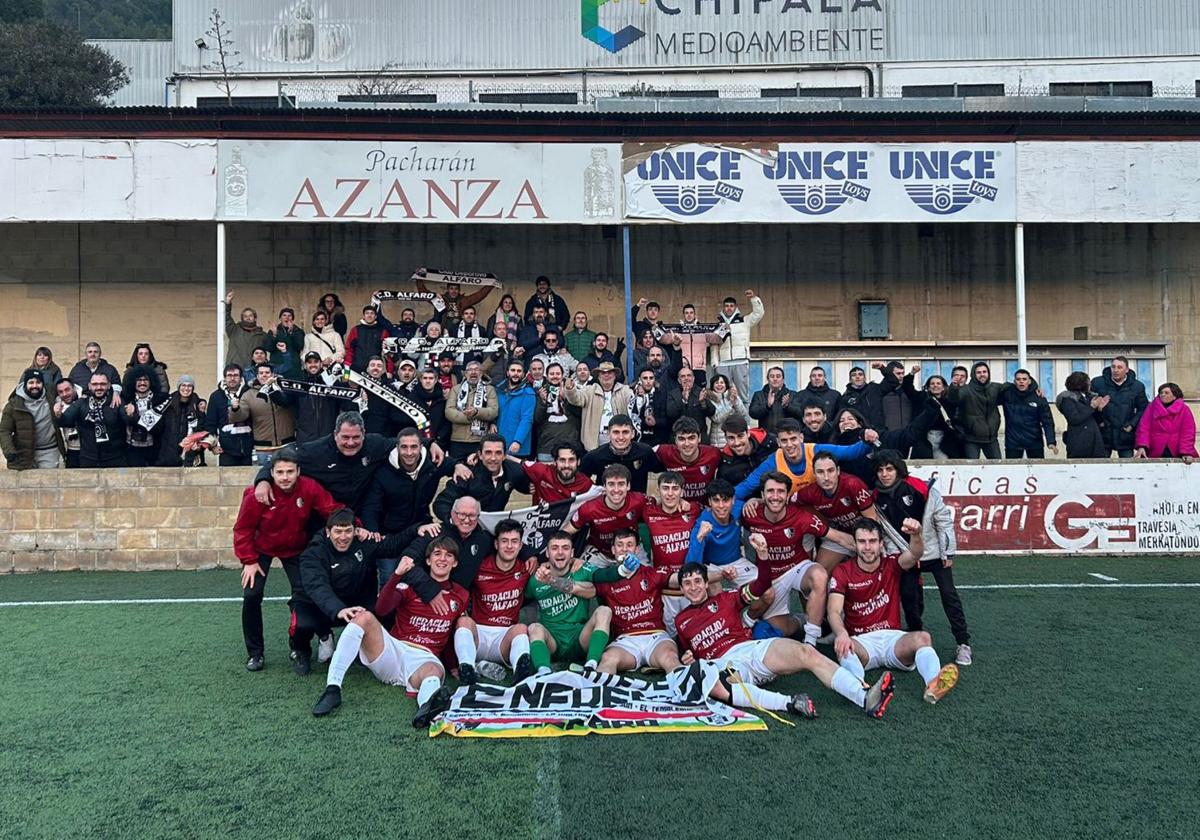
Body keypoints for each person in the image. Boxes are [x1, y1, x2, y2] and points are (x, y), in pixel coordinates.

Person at [674, 562, 894, 719]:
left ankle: (864, 697)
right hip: (725, 663)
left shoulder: (726, 598)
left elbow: (761, 586)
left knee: (806, 653)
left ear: (705, 583)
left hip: (752, 648)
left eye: (697, 581)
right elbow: (686, 654)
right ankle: (789, 703)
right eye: (687, 583)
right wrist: (686, 657)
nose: (693, 587)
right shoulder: (680, 621)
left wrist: (762, 555)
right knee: (718, 685)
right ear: (682, 589)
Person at [310, 534, 468, 726]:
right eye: (437, 554)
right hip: (394, 650)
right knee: (364, 616)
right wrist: (396, 575)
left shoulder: (461, 594)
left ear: (456, 562)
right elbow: (382, 608)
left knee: (433, 671)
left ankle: (426, 708)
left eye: (448, 555)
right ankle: (333, 689)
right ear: (428, 560)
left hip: (425, 658)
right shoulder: (411, 586)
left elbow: (451, 632)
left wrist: (452, 665)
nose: (442, 559)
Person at [828, 518, 961, 706]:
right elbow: (833, 611)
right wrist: (841, 634)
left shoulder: (891, 564)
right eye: (862, 541)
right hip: (862, 641)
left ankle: (934, 686)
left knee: (923, 637)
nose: (867, 547)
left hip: (893, 640)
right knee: (843, 646)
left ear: (881, 543)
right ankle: (861, 691)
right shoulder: (842, 571)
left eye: (872, 541)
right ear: (855, 544)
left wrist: (916, 534)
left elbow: (915, 553)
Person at [232, 452, 344, 672]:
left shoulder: (309, 487)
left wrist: (354, 524)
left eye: (290, 472)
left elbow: (332, 509)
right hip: (260, 549)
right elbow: (243, 529)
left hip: (295, 548)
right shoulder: (257, 494)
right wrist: (249, 560)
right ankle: (255, 653)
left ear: (298, 472)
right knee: (252, 594)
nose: (285, 477)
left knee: (305, 593)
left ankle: (298, 647)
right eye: (280, 472)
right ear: (271, 473)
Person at [872, 451, 971, 667]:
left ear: (898, 469)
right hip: (907, 553)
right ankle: (917, 638)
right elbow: (886, 533)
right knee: (908, 595)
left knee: (949, 594)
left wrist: (947, 552)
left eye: (889, 469)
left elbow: (942, 520)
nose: (884, 474)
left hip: (934, 552)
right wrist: (900, 555)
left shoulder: (921, 488)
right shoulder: (876, 498)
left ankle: (963, 643)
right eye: (880, 470)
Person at [737, 472, 853, 642]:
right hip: (770, 576)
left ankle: (811, 640)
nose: (775, 496)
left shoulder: (801, 517)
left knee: (819, 575)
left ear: (787, 496)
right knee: (776, 629)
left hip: (797, 567)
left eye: (781, 492)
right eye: (770, 491)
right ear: (762, 495)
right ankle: (802, 621)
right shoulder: (750, 515)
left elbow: (838, 537)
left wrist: (867, 546)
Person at [251, 411, 399, 512]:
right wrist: (263, 481)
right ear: (335, 434)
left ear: (364, 434)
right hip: (325, 519)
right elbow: (282, 458)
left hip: (362, 515)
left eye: (356, 437)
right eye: (345, 437)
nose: (351, 442)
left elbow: (407, 442)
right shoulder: (315, 451)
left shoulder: (374, 444)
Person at [453, 519, 534, 684]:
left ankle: (521, 675)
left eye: (514, 542)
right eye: (504, 541)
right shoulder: (479, 566)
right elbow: (457, 585)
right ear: (496, 544)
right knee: (464, 622)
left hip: (504, 638)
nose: (509, 546)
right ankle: (467, 671)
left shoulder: (526, 568)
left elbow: (552, 569)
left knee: (521, 628)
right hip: (478, 636)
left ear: (521, 545)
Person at [359, 428, 462, 549]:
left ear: (421, 447)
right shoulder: (383, 471)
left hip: (422, 530)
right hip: (391, 534)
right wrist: (372, 531)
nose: (409, 452)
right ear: (397, 447)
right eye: (404, 447)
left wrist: (458, 465)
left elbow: (451, 464)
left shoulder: (432, 462)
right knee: (388, 567)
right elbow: (371, 506)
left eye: (414, 447)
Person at [526, 532, 614, 674]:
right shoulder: (537, 579)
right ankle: (544, 672)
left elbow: (593, 590)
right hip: (553, 640)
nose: (560, 552)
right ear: (547, 553)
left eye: (565, 548)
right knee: (534, 627)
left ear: (572, 552)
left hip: (580, 638)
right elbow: (526, 603)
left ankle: (591, 666)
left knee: (604, 611)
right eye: (554, 548)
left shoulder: (582, 569)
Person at [735, 418, 875, 501]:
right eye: (784, 441)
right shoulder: (773, 462)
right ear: (778, 442)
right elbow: (747, 486)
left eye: (793, 439)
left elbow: (849, 452)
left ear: (801, 438)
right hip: (796, 513)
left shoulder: (815, 450)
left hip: (824, 509)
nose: (789, 445)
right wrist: (723, 500)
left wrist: (868, 440)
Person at [793, 452, 878, 571]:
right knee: (819, 572)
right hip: (839, 535)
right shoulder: (809, 493)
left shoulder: (852, 484)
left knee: (878, 567)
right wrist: (759, 501)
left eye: (830, 470)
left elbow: (872, 521)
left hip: (866, 534)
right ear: (814, 473)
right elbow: (784, 502)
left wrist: (866, 544)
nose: (826, 477)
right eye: (820, 472)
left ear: (838, 471)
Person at [565, 464, 647, 561]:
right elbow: (566, 532)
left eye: (621, 484)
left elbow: (661, 508)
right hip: (600, 554)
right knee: (580, 574)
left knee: (647, 575)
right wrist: (571, 557)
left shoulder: (639, 500)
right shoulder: (590, 508)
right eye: (611, 484)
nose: (616, 490)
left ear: (628, 486)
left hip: (631, 550)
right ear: (604, 486)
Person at [433, 434, 523, 520]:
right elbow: (441, 504)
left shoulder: (513, 470)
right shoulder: (467, 474)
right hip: (468, 529)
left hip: (495, 527)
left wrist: (528, 487)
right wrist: (456, 521)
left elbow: (530, 475)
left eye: (498, 453)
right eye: (488, 453)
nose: (493, 458)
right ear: (480, 455)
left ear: (504, 456)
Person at [231, 363, 296, 465]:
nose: (264, 375)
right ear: (257, 376)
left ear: (273, 375)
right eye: (261, 373)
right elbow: (241, 416)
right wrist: (235, 408)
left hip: (287, 444)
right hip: (263, 448)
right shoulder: (248, 395)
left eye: (267, 373)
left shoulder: (284, 389)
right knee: (263, 477)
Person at [59, 372, 126, 467]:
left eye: (102, 384)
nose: (99, 387)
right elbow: (65, 420)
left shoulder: (116, 402)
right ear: (89, 386)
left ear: (109, 385)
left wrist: (131, 414)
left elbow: (129, 421)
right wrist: (58, 414)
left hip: (115, 458)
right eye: (95, 384)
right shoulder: (81, 403)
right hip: (88, 458)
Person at [579, 414, 659, 493]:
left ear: (633, 434)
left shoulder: (645, 452)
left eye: (625, 432)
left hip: (637, 503)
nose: (621, 437)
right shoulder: (594, 457)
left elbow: (660, 474)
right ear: (608, 434)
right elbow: (580, 483)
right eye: (616, 432)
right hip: (607, 503)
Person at [2, 369, 63, 470]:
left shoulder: (51, 397)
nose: (35, 386)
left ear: (43, 384)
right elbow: (4, 430)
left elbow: (69, 391)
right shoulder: (13, 405)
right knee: (25, 485)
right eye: (31, 382)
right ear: (25, 384)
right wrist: (9, 451)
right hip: (23, 454)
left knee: (49, 483)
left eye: (38, 382)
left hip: (49, 451)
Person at [708, 289, 764, 398]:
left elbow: (759, 313)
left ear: (735, 307)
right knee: (722, 394)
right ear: (723, 308)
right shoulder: (719, 324)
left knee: (742, 394)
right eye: (727, 306)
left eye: (731, 306)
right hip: (723, 363)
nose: (729, 308)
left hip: (741, 360)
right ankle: (724, 415)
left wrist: (753, 298)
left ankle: (744, 415)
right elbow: (714, 345)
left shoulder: (744, 321)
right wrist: (715, 363)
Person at [1091, 356, 1150, 459]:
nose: (1116, 370)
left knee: (1127, 469)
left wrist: (1132, 424)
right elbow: (1089, 406)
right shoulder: (1097, 383)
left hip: (1125, 434)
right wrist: (1099, 418)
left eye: (1119, 367)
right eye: (1113, 367)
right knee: (1100, 467)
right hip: (1103, 433)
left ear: (1126, 370)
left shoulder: (1137, 386)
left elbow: (1143, 409)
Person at [654, 417, 723, 503]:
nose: (687, 444)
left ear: (699, 438)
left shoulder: (713, 453)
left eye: (691, 438)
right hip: (677, 508)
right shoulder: (664, 452)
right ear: (675, 440)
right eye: (681, 439)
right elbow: (643, 451)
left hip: (704, 509)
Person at [949, 362, 1006, 460]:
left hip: (991, 439)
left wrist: (1034, 387)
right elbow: (954, 400)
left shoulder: (995, 387)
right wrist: (954, 387)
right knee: (971, 469)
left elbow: (1012, 387)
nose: (982, 374)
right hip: (971, 439)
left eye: (984, 372)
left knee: (997, 467)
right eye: (978, 372)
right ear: (973, 375)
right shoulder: (966, 390)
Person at [444, 360, 498, 458]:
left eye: (477, 369)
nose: (473, 372)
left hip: (480, 440)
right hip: (457, 440)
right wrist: (468, 418)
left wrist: (476, 412)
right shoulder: (456, 389)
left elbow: (493, 411)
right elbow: (449, 411)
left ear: (481, 373)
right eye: (470, 370)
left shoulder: (489, 389)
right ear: (465, 373)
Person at [1000, 369, 1058, 459]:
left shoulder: (1038, 397)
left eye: (1024, 379)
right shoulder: (1007, 394)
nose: (1021, 382)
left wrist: (1051, 441)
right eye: (1018, 379)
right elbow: (993, 390)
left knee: (1036, 471)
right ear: (1014, 381)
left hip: (1034, 442)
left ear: (1029, 381)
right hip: (1013, 442)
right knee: (1013, 472)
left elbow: (1047, 421)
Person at [661, 303, 723, 387]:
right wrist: (657, 329)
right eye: (686, 313)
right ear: (683, 315)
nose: (689, 315)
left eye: (691, 313)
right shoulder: (678, 331)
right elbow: (664, 340)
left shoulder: (703, 330)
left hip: (699, 369)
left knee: (700, 395)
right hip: (683, 369)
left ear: (695, 314)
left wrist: (724, 329)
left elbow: (718, 339)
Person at [576, 361, 634, 451]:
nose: (606, 375)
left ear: (615, 375)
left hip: (620, 441)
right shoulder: (589, 390)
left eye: (610, 372)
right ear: (599, 376)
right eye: (603, 373)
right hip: (595, 444)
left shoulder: (624, 390)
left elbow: (632, 399)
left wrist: (639, 390)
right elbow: (576, 399)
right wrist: (570, 389)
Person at [532, 362, 584, 461]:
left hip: (569, 446)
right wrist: (543, 402)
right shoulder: (541, 392)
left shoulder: (573, 390)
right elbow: (537, 419)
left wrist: (567, 399)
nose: (555, 376)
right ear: (546, 376)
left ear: (562, 375)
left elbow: (580, 414)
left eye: (558, 374)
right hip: (546, 446)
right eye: (552, 374)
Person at [206, 364, 253, 466]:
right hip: (226, 450)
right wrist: (212, 446)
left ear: (241, 378)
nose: (232, 378)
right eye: (229, 375)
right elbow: (210, 423)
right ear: (225, 378)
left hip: (250, 448)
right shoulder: (216, 396)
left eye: (236, 375)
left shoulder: (249, 393)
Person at [1136, 383, 1197, 462]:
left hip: (1176, 449)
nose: (1162, 395)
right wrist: (1142, 446)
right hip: (1155, 449)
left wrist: (1186, 452)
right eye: (1161, 393)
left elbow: (1188, 432)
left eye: (1166, 393)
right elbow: (1143, 428)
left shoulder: (1184, 409)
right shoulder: (1151, 408)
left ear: (1175, 396)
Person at [518, 443, 595, 505]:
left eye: (571, 460)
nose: (566, 465)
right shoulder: (542, 472)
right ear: (555, 462)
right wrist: (524, 484)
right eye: (562, 460)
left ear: (578, 462)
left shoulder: (586, 485)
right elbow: (511, 460)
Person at [1055, 372, 1108, 459]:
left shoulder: (1089, 397)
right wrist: (1091, 407)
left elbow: (1095, 419)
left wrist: (1099, 409)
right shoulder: (1068, 399)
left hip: (1094, 440)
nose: (1090, 384)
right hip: (1079, 441)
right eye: (1088, 382)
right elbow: (1074, 418)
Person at [121, 366, 166, 467]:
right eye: (139, 380)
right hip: (132, 448)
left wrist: (134, 416)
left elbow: (160, 427)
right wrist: (130, 416)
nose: (142, 383)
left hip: (154, 448)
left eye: (145, 379)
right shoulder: (126, 399)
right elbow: (125, 421)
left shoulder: (159, 400)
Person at [156, 375, 206, 467]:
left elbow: (202, 428)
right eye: (183, 385)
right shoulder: (167, 404)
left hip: (191, 453)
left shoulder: (198, 405)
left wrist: (199, 446)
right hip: (169, 452)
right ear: (179, 387)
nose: (186, 388)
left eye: (189, 386)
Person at [912, 375, 962, 460]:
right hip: (926, 438)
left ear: (943, 387)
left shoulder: (948, 403)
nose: (935, 385)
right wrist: (912, 374)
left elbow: (955, 402)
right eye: (932, 383)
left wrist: (954, 387)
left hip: (944, 440)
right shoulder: (923, 400)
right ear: (928, 387)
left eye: (938, 383)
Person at [716, 415, 775, 487]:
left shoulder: (770, 443)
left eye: (740, 436)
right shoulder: (725, 463)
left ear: (748, 433)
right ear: (726, 438)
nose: (737, 442)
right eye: (731, 438)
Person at [495, 359, 536, 458]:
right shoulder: (498, 390)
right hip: (498, 443)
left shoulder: (528, 393)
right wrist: (492, 422)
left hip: (517, 446)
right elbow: (494, 411)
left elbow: (527, 419)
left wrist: (518, 441)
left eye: (519, 371)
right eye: (513, 370)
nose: (515, 373)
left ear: (523, 374)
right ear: (507, 373)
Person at [749, 366, 803, 434]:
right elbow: (752, 413)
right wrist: (767, 406)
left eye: (778, 376)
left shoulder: (792, 395)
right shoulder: (759, 395)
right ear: (768, 379)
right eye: (772, 376)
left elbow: (800, 413)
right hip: (766, 437)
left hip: (787, 436)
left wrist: (788, 406)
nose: (775, 379)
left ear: (783, 379)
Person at [665, 367, 715, 439]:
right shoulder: (672, 394)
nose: (686, 378)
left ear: (693, 378)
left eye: (689, 375)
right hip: (679, 436)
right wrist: (683, 400)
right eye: (683, 376)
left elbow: (711, 412)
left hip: (699, 437)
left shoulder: (701, 392)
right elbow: (671, 414)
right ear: (679, 380)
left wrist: (702, 402)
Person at [344, 305, 392, 374]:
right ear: (363, 316)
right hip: (356, 368)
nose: (369, 315)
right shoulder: (356, 330)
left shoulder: (383, 331)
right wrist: (347, 366)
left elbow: (388, 354)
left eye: (372, 313)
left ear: (375, 317)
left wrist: (389, 371)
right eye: (367, 313)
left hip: (375, 371)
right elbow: (349, 349)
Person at [630, 366, 669, 447]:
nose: (648, 381)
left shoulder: (661, 396)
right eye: (645, 378)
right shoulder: (632, 396)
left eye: (651, 378)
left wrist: (656, 422)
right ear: (640, 380)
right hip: (638, 441)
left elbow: (668, 420)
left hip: (658, 441)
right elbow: (631, 417)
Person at [224, 292, 266, 368]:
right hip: (235, 369)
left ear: (255, 318)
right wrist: (228, 303)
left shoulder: (262, 334)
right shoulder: (234, 330)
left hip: (253, 370)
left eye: (250, 316)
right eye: (245, 316)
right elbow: (227, 319)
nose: (248, 318)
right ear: (242, 318)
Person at [836, 366, 885, 430]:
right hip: (859, 433)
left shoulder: (875, 389)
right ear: (850, 379)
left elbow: (892, 381)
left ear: (864, 378)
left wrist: (882, 368)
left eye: (860, 374)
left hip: (878, 430)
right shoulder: (845, 398)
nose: (857, 377)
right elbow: (842, 418)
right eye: (854, 375)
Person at [707, 374, 749, 448]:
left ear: (726, 385)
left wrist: (735, 401)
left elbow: (743, 414)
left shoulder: (732, 396)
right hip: (718, 442)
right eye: (716, 383)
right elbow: (717, 418)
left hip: (733, 438)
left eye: (722, 382)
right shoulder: (709, 400)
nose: (719, 385)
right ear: (712, 385)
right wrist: (730, 405)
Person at [52, 379, 81, 467]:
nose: (64, 394)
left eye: (67, 390)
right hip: (71, 449)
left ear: (74, 388)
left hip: (89, 449)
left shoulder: (86, 399)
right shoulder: (57, 405)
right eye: (61, 392)